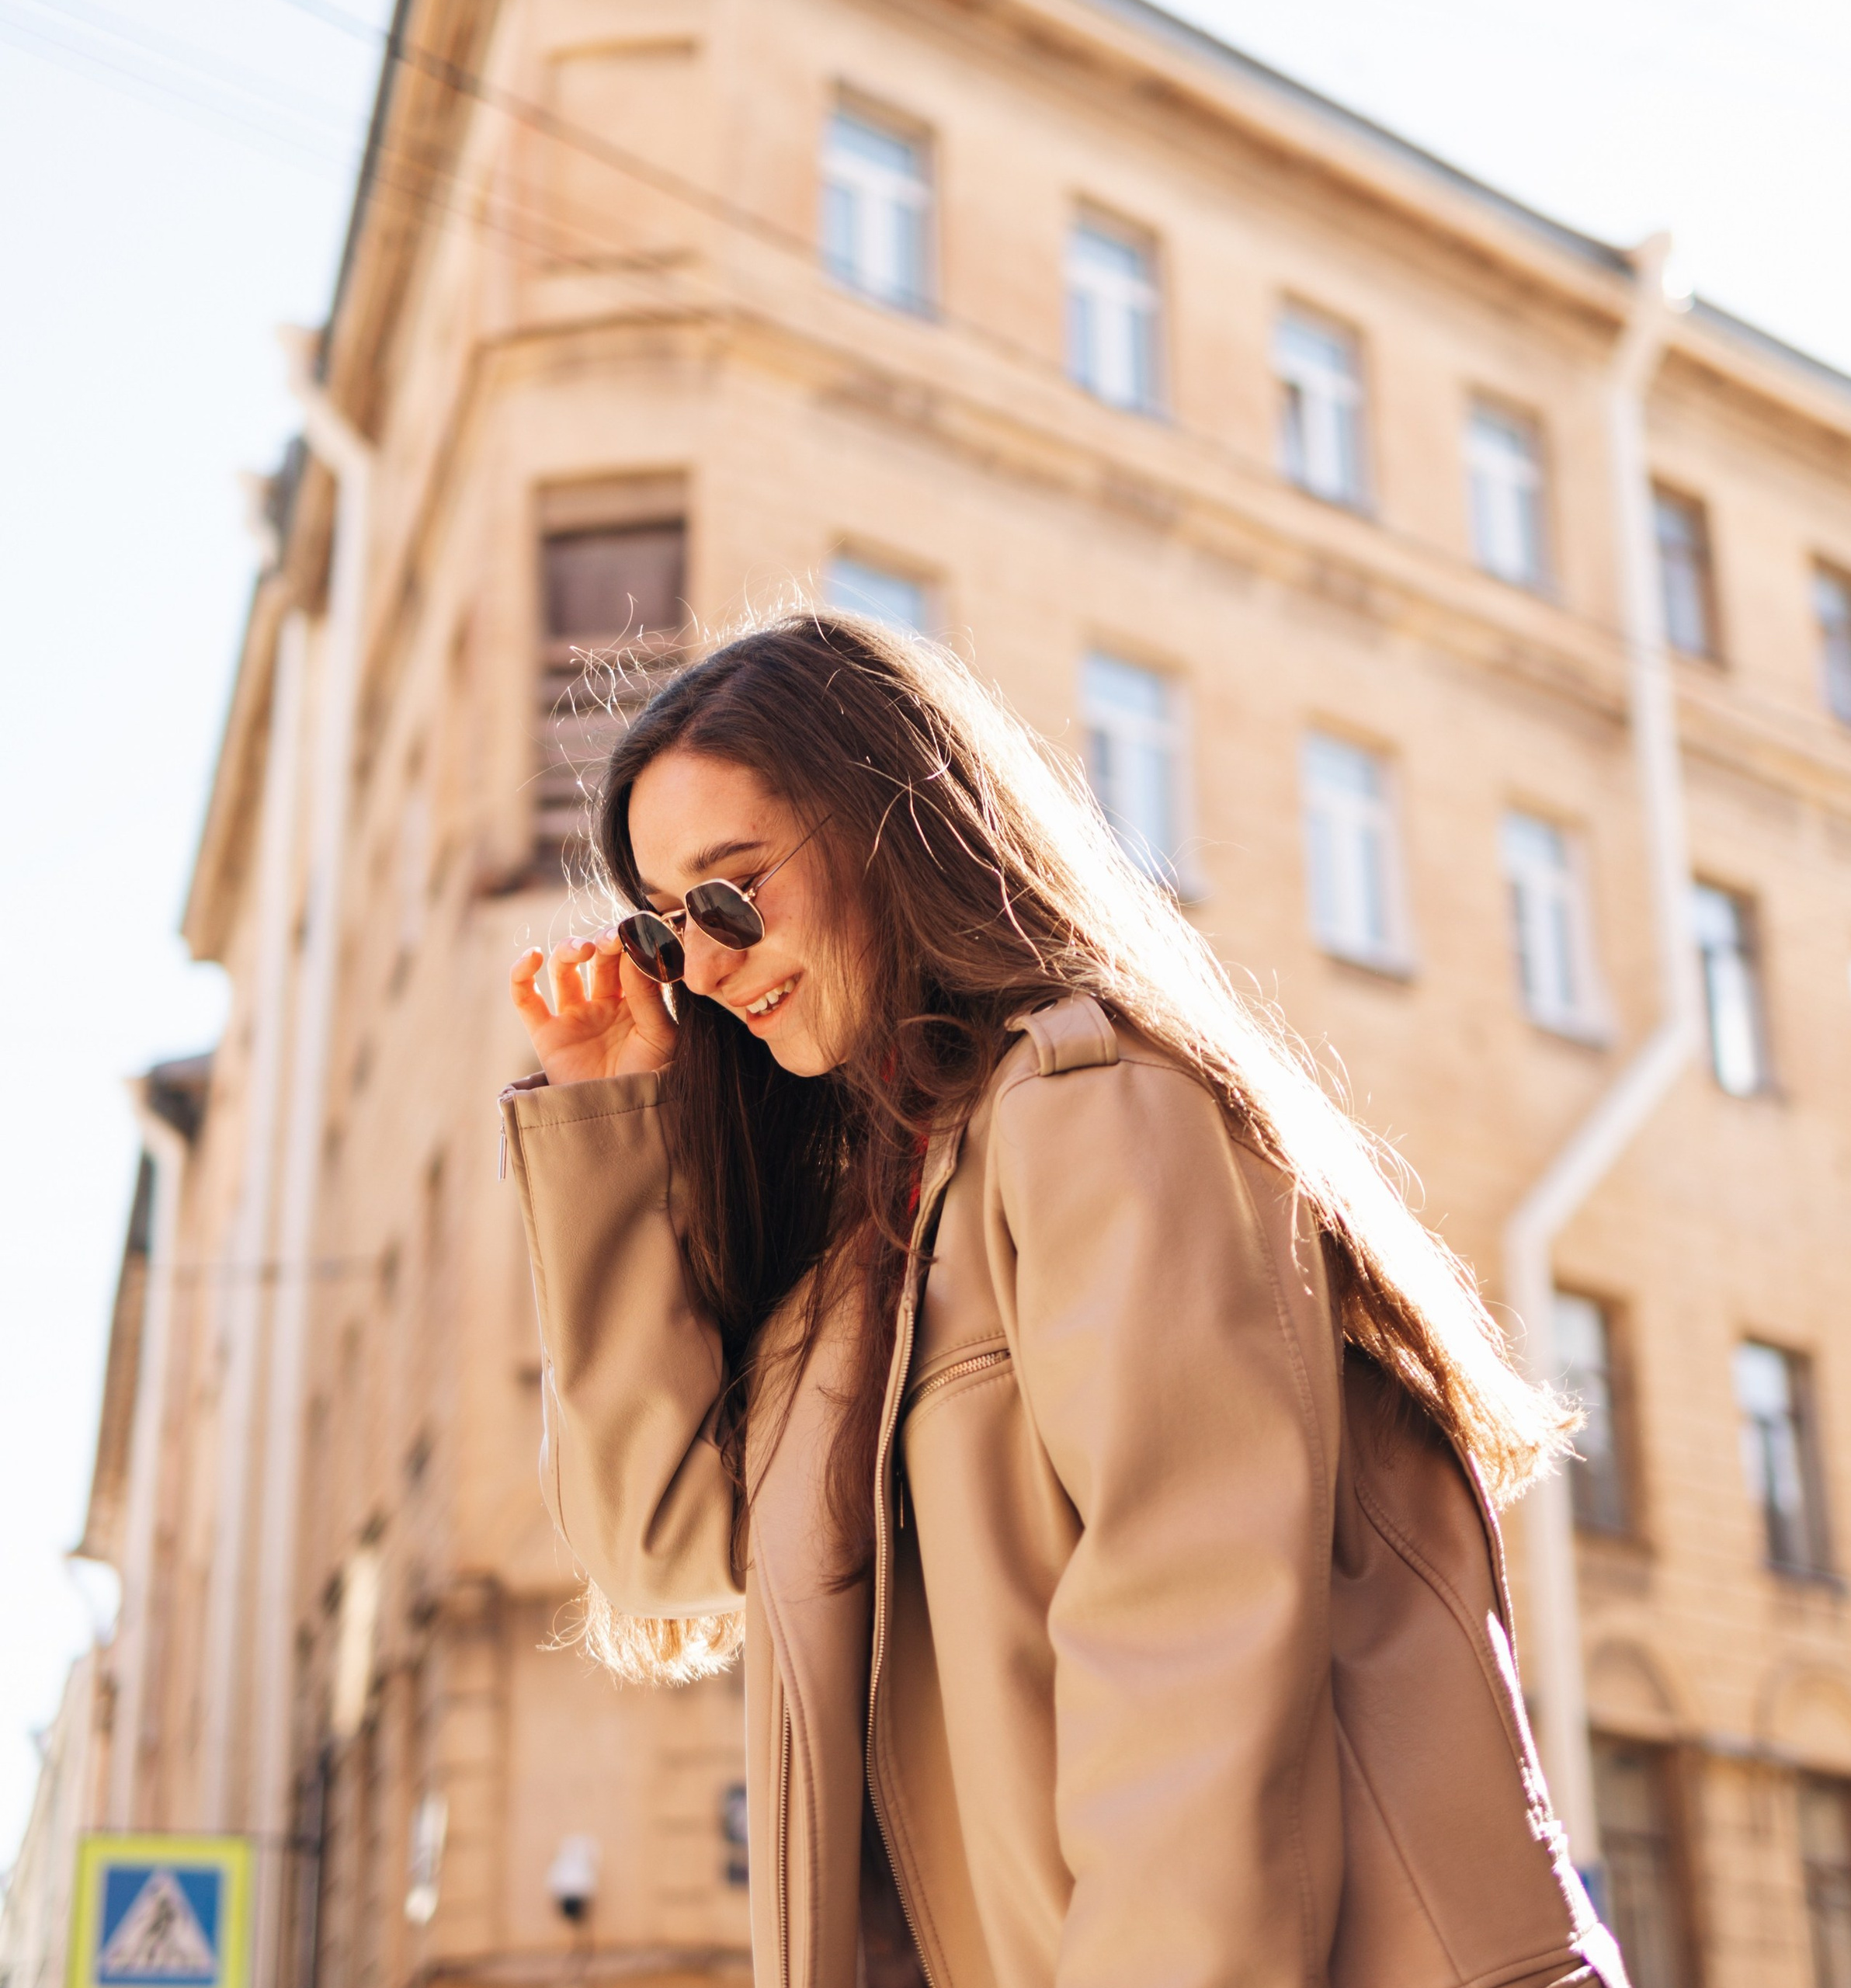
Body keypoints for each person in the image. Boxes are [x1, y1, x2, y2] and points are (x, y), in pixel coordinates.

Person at [502, 611, 1627, 1988]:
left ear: (890, 829)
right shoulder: (868, 1257)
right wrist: (606, 1111)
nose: (712, 967)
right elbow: (659, 1544)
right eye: (670, 934)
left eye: (734, 895)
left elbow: (1191, 1660)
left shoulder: (1096, 1114)